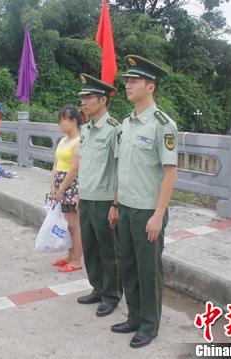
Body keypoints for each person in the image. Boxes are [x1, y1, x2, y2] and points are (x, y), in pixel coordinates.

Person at [110, 55, 178, 349]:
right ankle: (135, 317)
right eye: (127, 80)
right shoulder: (126, 124)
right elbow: (121, 169)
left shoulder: (162, 124)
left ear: (150, 86)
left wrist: (158, 215)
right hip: (125, 207)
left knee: (148, 271)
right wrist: (115, 204)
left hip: (147, 211)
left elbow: (170, 172)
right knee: (128, 266)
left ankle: (150, 325)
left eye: (134, 81)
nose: (127, 85)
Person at [75, 74, 122, 318]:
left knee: (108, 250)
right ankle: (97, 287)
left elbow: (121, 169)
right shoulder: (86, 129)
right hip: (87, 197)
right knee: (91, 248)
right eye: (81, 97)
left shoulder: (115, 130)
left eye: (88, 97)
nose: (83, 102)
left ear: (102, 100)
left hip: (105, 199)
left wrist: (115, 203)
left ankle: (111, 294)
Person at [50, 106, 83, 273]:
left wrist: (62, 189)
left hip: (71, 185)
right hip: (59, 183)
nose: (60, 124)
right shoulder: (63, 140)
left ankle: (76, 259)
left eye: (62, 120)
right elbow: (56, 163)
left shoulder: (79, 141)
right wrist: (53, 186)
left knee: (74, 225)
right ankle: (69, 256)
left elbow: (74, 169)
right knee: (66, 223)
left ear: (73, 121)